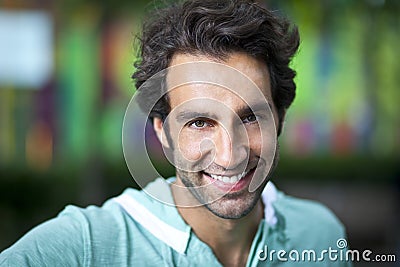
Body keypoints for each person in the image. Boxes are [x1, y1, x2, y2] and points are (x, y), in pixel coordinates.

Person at [0, 0, 352, 266]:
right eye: (200, 122)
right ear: (164, 135)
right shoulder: (84, 246)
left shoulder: (321, 235)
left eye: (250, 119)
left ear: (280, 120)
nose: (230, 155)